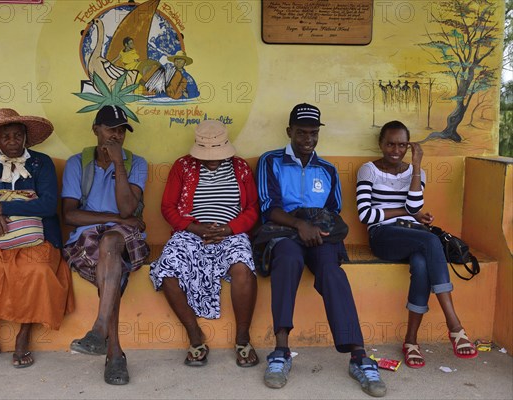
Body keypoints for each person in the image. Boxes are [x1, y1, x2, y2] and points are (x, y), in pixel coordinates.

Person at [256, 103, 386, 396]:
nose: (308, 140)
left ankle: (359, 356)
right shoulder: (270, 161)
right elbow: (269, 208)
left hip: (318, 236)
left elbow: (333, 210)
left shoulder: (327, 168)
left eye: (313, 133)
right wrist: (299, 225)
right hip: (283, 234)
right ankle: (281, 351)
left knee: (331, 270)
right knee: (288, 260)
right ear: (289, 131)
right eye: (301, 132)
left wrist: (315, 229)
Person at [356, 120, 478, 368]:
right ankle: (454, 324)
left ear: (408, 147)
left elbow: (414, 208)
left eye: (402, 145)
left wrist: (416, 166)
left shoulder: (418, 172)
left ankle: (411, 342)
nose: (395, 150)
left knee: (422, 263)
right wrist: (405, 212)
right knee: (429, 240)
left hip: (414, 236)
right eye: (390, 144)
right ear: (380, 143)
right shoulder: (368, 170)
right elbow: (366, 216)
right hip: (383, 236)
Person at [0, 108, 75, 370]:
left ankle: (23, 337)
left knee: (34, 270)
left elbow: (48, 206)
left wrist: (5, 208)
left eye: (17, 135)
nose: (11, 141)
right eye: (5, 137)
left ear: (25, 137)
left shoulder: (41, 163)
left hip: (39, 237)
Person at [150, 119, 259, 367]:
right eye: (206, 154)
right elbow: (167, 207)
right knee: (166, 268)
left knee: (242, 267)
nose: (212, 159)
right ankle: (195, 336)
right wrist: (194, 228)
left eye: (217, 153)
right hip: (191, 232)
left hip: (231, 233)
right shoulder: (182, 166)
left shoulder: (240, 168)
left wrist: (229, 228)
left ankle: (243, 337)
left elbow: (252, 209)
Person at [61, 105, 149, 385]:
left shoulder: (137, 163)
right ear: (96, 129)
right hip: (87, 239)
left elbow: (127, 210)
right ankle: (114, 354)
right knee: (110, 268)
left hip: (124, 238)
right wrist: (111, 218)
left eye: (121, 130)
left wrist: (119, 164)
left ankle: (99, 330)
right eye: (110, 128)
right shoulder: (78, 163)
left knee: (111, 242)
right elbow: (70, 214)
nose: (116, 135)